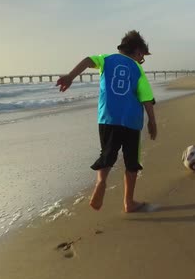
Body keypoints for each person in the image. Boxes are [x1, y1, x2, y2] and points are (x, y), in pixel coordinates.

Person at [56, 30, 157, 213]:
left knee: (107, 154)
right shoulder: (137, 69)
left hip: (107, 118)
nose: (142, 60)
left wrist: (70, 76)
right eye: (142, 55)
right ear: (137, 51)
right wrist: (153, 122)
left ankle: (101, 181)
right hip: (132, 121)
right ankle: (129, 202)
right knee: (131, 162)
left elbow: (87, 60)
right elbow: (146, 99)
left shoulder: (106, 59)